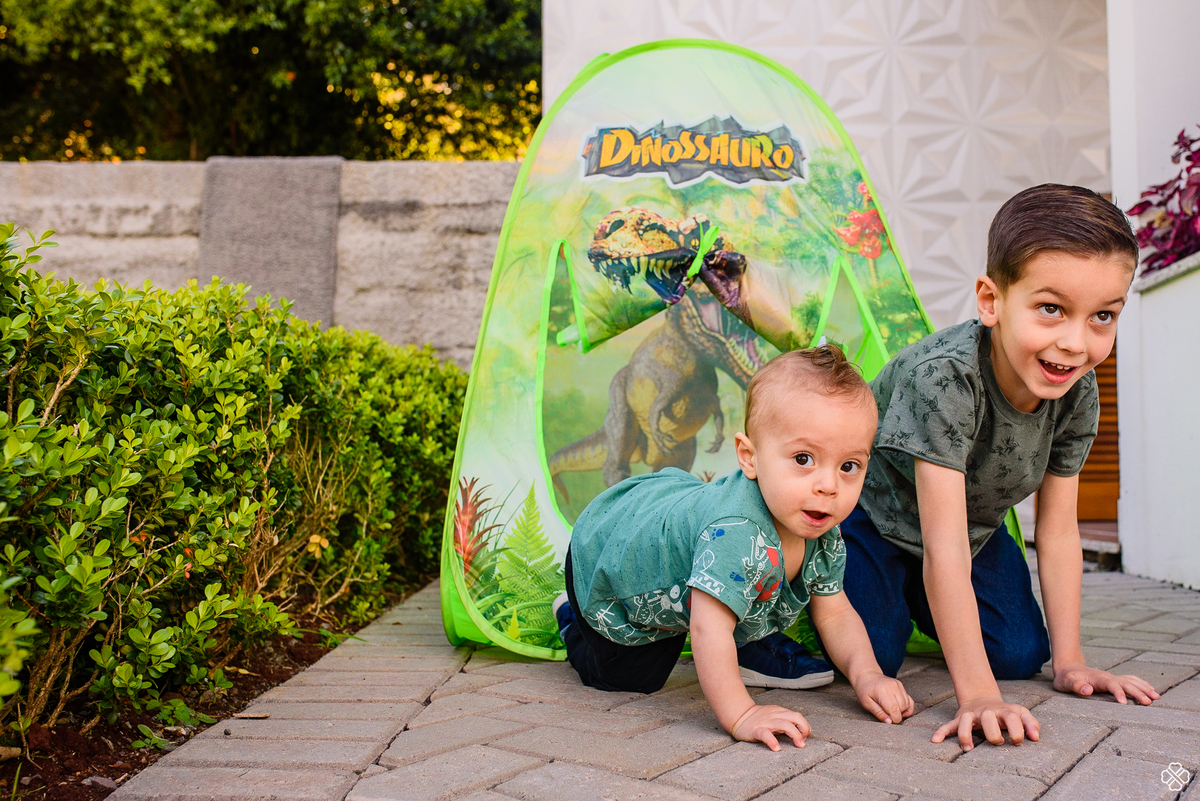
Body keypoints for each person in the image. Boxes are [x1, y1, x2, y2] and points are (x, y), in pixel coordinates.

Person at [841, 184, 1160, 753]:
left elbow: (1059, 532)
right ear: (991, 301)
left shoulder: (1077, 392)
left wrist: (1071, 663)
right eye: (1051, 308)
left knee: (1019, 656)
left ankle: (926, 601)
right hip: (877, 522)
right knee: (876, 654)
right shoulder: (945, 379)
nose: (1075, 343)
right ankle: (781, 623)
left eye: (1102, 316)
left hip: (972, 531)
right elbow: (941, 546)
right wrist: (977, 695)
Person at [553, 345, 914, 751]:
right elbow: (707, 628)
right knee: (633, 677)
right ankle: (571, 615)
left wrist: (867, 674)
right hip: (610, 551)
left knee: (711, 616)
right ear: (749, 457)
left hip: (675, 542)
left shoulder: (818, 522)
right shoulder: (737, 533)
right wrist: (742, 713)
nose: (829, 486)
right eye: (803, 458)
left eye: (849, 466)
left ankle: (739, 647)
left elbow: (834, 611)